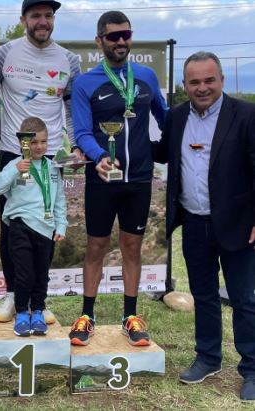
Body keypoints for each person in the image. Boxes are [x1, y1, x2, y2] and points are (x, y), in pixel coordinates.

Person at [153, 51, 255, 401]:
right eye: (194, 82)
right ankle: (209, 357)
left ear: (221, 80)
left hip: (239, 223)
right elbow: (161, 153)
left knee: (244, 300)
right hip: (194, 222)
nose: (202, 87)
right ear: (185, 85)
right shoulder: (177, 116)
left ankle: (251, 368)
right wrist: (121, 138)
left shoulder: (246, 114)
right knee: (204, 295)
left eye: (209, 80)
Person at [69, 10, 168, 347]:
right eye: (113, 36)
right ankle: (87, 316)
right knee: (96, 246)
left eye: (126, 34)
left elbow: (165, 117)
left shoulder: (146, 77)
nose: (121, 41)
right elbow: (82, 132)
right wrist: (99, 155)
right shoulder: (86, 83)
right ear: (100, 41)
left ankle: (130, 316)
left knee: (132, 246)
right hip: (103, 178)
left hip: (139, 178)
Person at [0, 0, 81, 325]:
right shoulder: (4, 54)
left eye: (48, 15)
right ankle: (14, 294)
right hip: (13, 153)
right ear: (23, 19)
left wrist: (76, 144)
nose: (43, 21)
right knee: (10, 227)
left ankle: (38, 299)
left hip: (50, 154)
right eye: (36, 15)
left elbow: (71, 107)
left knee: (46, 225)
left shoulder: (69, 59)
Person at [0, 117, 67, 337]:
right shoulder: (15, 164)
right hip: (20, 226)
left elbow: (59, 199)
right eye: (33, 142)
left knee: (41, 275)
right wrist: (15, 170)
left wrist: (61, 225)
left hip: (46, 229)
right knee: (24, 274)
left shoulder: (52, 167)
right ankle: (22, 313)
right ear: (23, 143)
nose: (39, 147)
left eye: (43, 141)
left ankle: (38, 311)